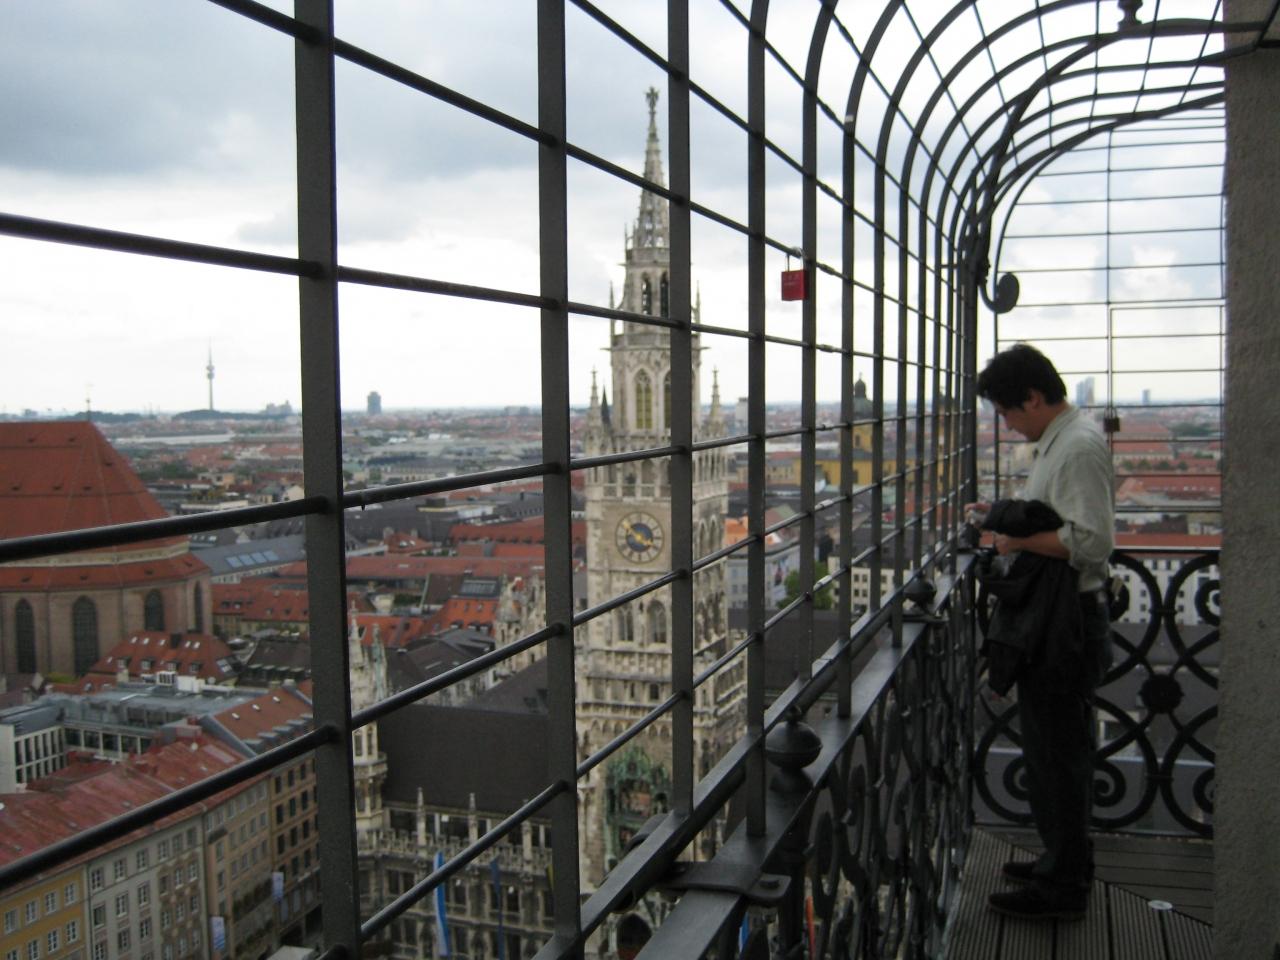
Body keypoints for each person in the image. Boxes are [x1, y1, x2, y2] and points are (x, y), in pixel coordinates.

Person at [966, 343, 1115, 921]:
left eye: (1007, 412)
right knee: (1054, 753)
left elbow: (1091, 542)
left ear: (1032, 398)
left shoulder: (1076, 447)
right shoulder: (1063, 441)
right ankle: (1062, 861)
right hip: (1059, 618)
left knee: (1059, 756)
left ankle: (1061, 887)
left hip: (1066, 623)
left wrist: (1014, 539)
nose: (1006, 424)